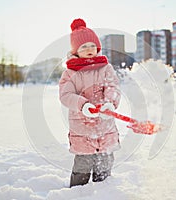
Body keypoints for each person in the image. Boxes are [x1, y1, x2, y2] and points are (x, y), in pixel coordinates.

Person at [59, 18, 121, 187]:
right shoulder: (70, 73)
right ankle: (77, 194)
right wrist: (83, 105)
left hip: (105, 125)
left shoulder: (105, 68)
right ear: (75, 50)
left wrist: (109, 102)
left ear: (98, 47)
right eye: (83, 46)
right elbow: (66, 94)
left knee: (105, 164)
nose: (89, 49)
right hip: (82, 128)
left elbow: (112, 86)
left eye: (92, 45)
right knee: (83, 164)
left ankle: (105, 193)